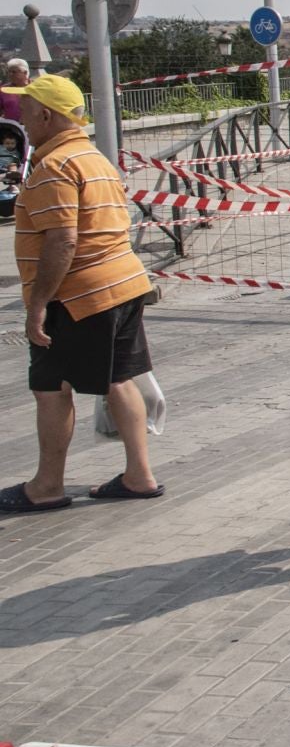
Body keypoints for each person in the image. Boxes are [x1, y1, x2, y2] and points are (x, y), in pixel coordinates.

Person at [0, 75, 161, 513]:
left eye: (26, 112)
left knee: (51, 386)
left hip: (79, 294)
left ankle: (47, 486)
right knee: (118, 378)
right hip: (123, 283)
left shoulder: (54, 166)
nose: (19, 120)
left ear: (47, 116)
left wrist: (36, 307)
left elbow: (63, 241)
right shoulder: (94, 159)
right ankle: (139, 475)